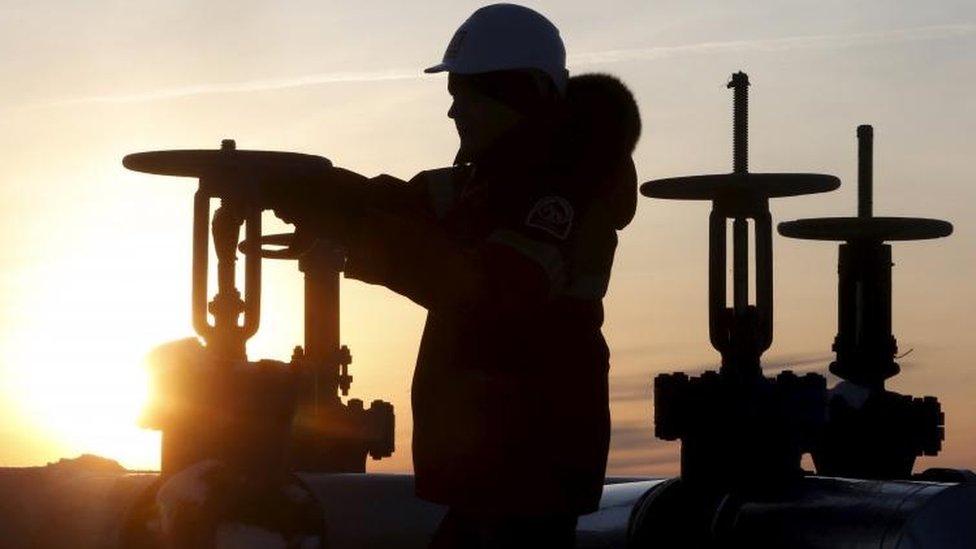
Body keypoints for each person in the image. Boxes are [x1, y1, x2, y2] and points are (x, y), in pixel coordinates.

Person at [269, 4, 641, 547]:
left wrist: (355, 237)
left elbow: (485, 291)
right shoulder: (498, 180)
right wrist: (317, 191)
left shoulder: (560, 193)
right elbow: (405, 204)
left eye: (463, 96)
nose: (453, 114)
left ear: (513, 95)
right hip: (498, 479)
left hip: (524, 475)